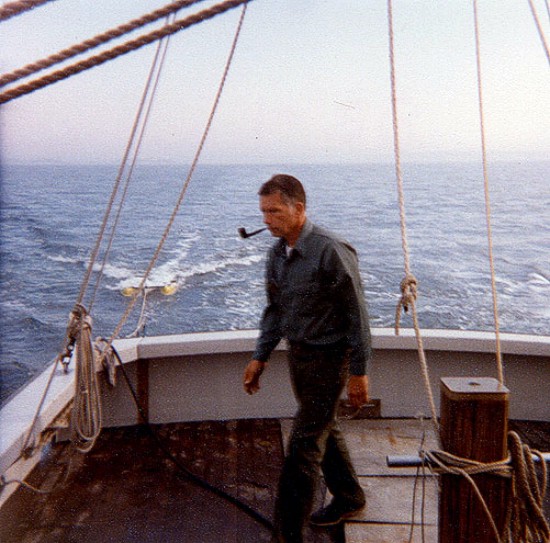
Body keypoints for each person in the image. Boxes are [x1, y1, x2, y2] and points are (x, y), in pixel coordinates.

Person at [243, 174, 371, 543]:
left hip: (331, 362)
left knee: (302, 448)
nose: (266, 219)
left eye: (274, 211)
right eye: (263, 211)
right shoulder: (276, 254)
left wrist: (359, 373)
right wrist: (260, 356)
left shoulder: (331, 250)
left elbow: (358, 316)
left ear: (298, 208)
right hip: (298, 359)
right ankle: (349, 496)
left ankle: (286, 536)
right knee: (323, 429)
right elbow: (275, 311)